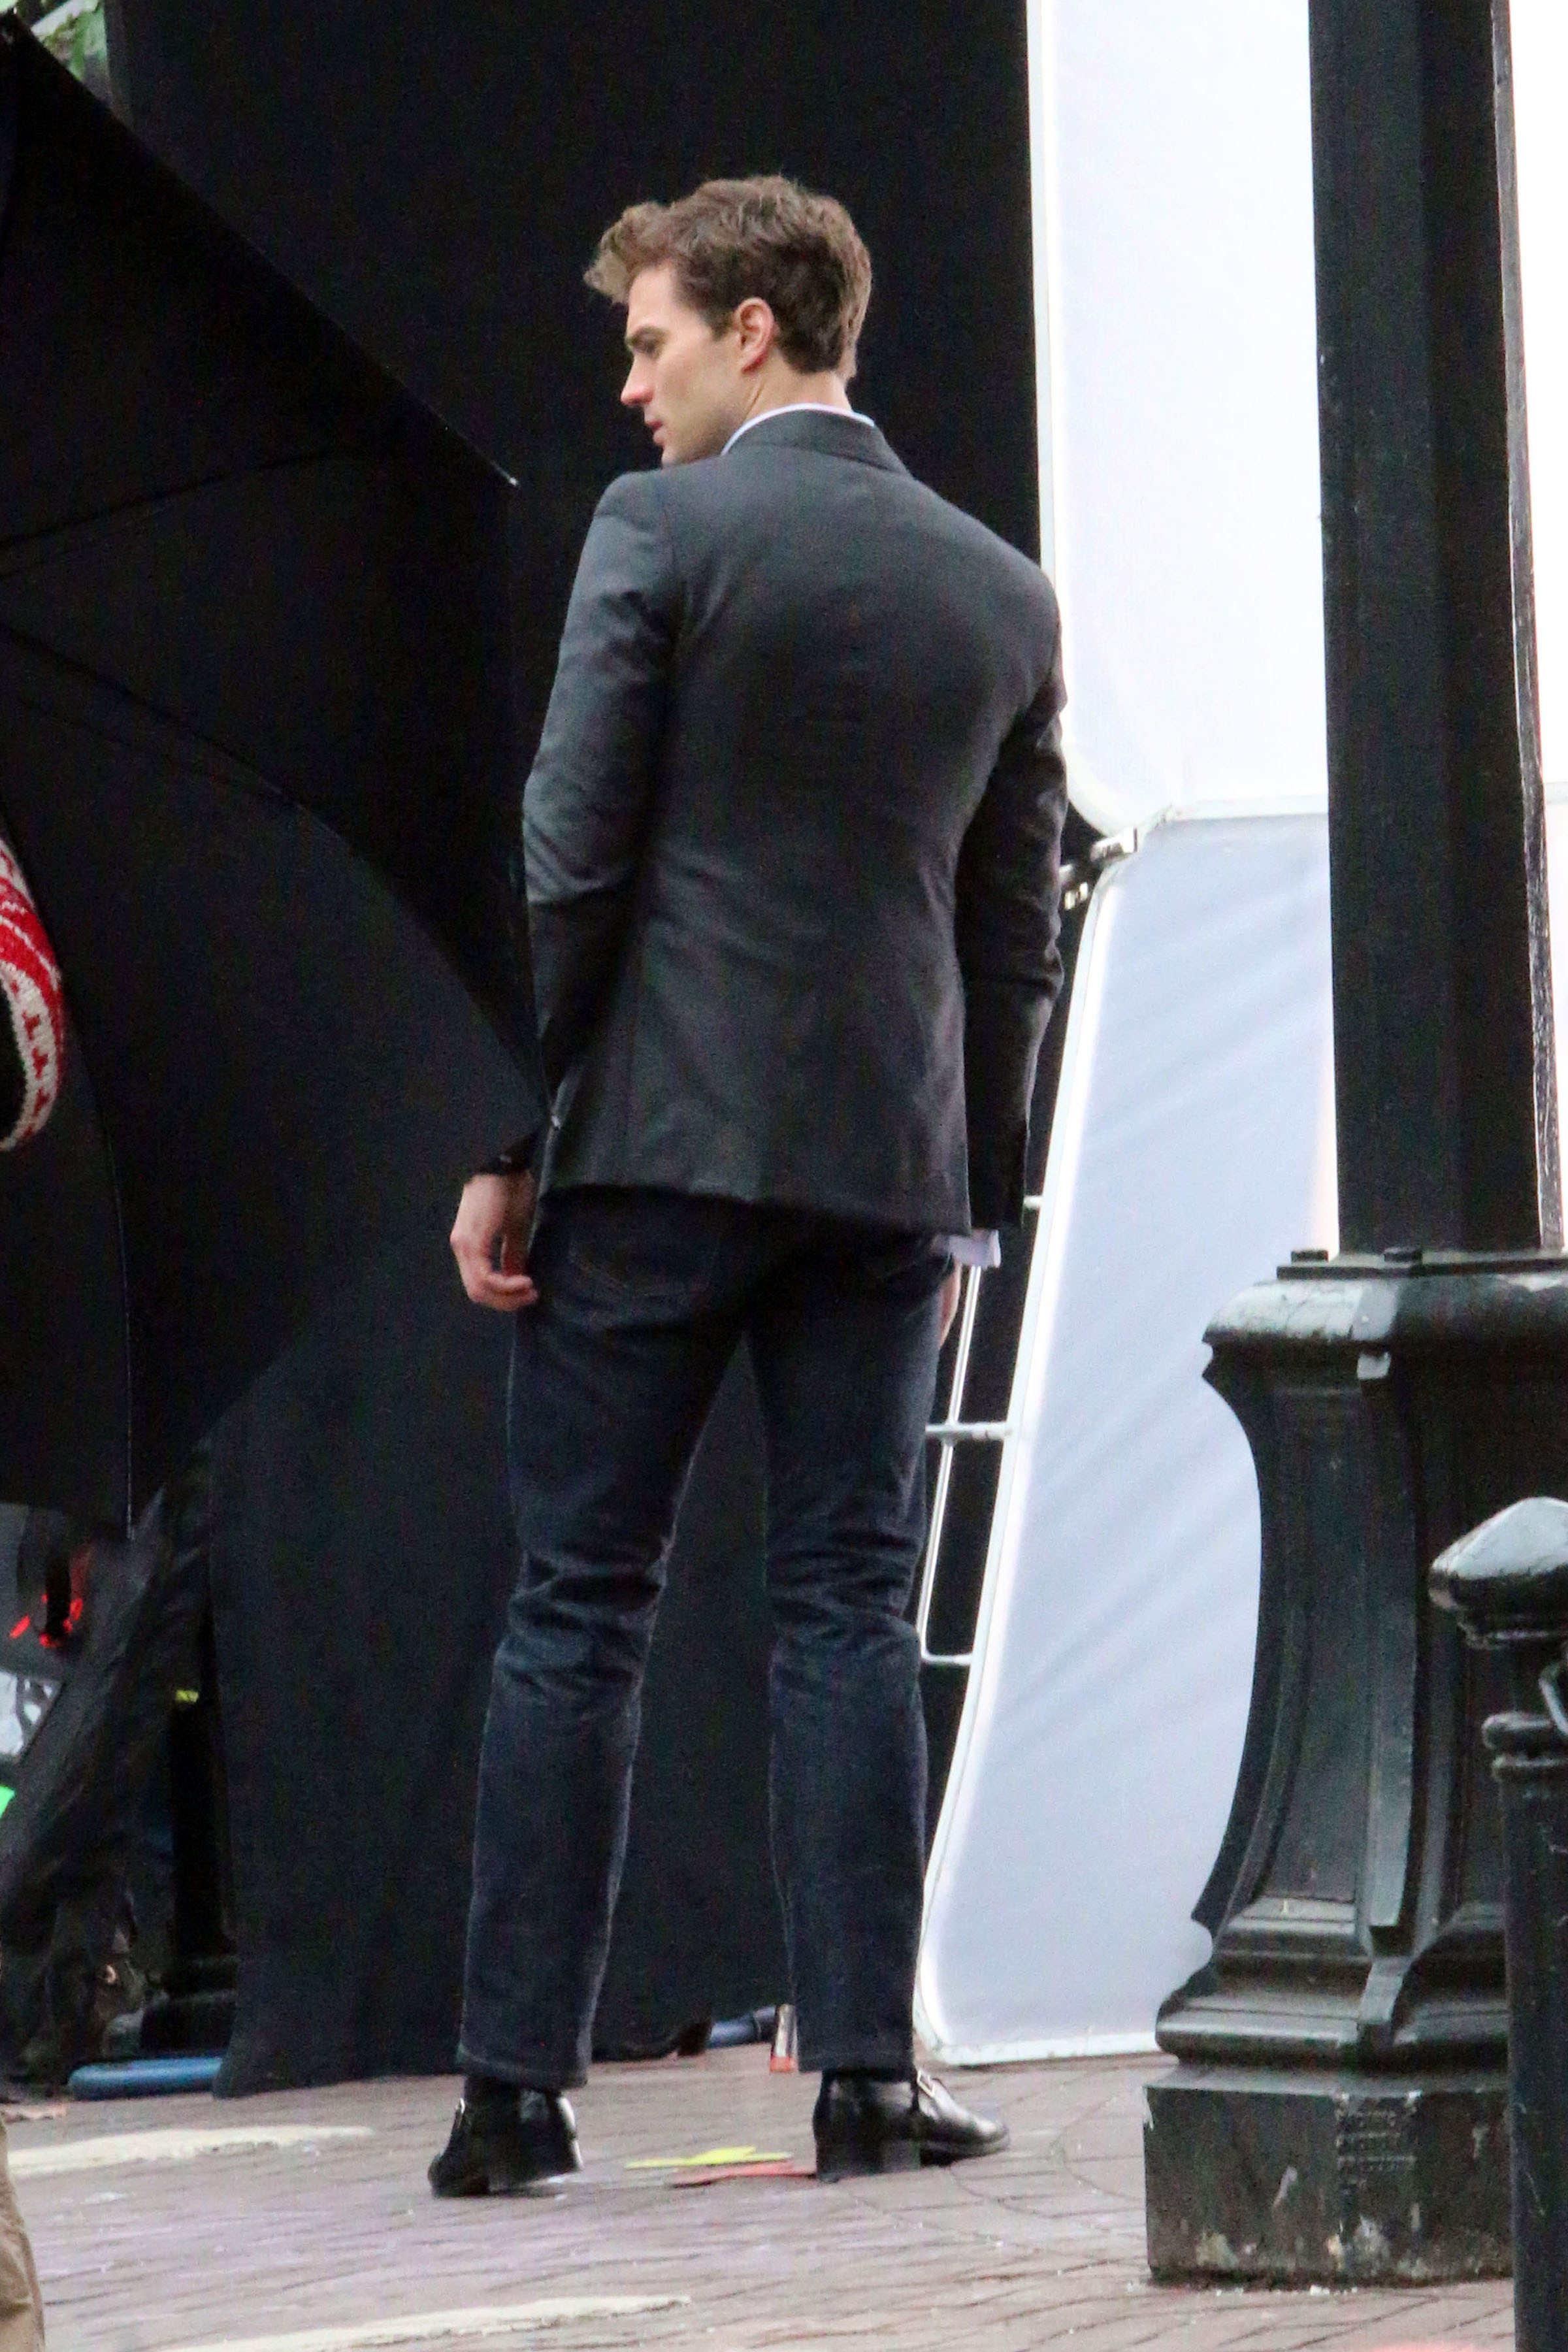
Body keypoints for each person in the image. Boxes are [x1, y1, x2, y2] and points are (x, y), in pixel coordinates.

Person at [434, 175, 1067, 2195]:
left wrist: (507, 1136)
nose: (633, 386)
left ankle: (512, 2101)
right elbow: (1012, 940)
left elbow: (568, 862)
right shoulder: (1000, 594)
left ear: (755, 332)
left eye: (654, 342)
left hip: (655, 1153)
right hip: (883, 1177)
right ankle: (866, 2081)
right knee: (849, 1610)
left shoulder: (662, 535)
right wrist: (974, 1200)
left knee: (578, 1605)